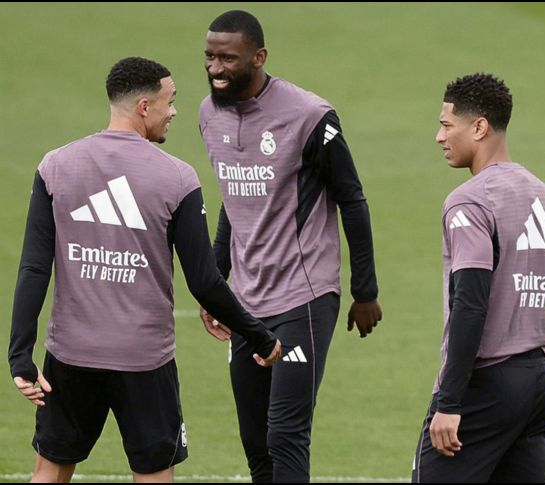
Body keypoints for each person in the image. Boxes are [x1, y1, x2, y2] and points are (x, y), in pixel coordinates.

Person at [8, 57, 281, 484]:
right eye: (170, 101)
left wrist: (20, 355)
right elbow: (205, 281)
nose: (174, 112)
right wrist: (260, 335)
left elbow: (33, 268)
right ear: (143, 105)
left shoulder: (56, 165)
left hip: (70, 357)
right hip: (144, 361)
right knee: (154, 474)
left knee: (50, 472)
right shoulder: (176, 177)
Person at [197, 10, 383, 483]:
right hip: (245, 302)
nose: (216, 68)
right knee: (255, 441)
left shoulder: (310, 116)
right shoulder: (207, 114)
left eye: (229, 59)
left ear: (259, 58)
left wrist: (365, 291)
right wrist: (215, 289)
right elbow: (232, 200)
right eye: (210, 57)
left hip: (304, 297)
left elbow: (353, 200)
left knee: (285, 433)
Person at [412, 73, 545, 483]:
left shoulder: (469, 201)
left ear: (478, 127)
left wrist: (449, 401)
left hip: (485, 385)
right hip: (535, 382)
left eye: (446, 125)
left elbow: (471, 302)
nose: (439, 137)